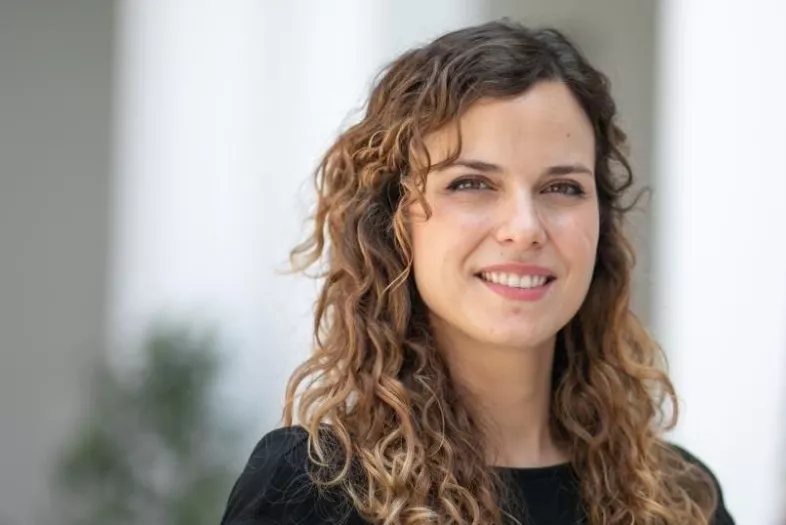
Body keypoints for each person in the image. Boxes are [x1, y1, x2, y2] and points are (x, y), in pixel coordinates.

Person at [219, 19, 734, 525]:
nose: (525, 228)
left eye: (563, 188)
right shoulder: (312, 491)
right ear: (392, 222)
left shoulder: (681, 498)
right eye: (471, 184)